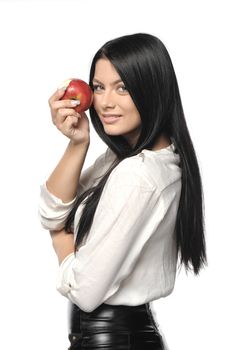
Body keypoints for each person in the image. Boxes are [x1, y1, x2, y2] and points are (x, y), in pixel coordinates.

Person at [38, 33, 207, 350]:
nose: (104, 102)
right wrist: (78, 144)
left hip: (113, 338)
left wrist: (61, 237)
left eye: (123, 88)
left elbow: (85, 291)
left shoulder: (138, 175)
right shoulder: (127, 160)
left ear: (151, 89)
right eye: (98, 87)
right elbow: (52, 208)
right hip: (118, 336)